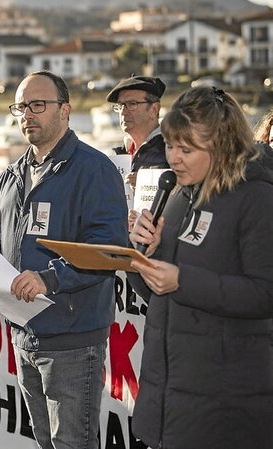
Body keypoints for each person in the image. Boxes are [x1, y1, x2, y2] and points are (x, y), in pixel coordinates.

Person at [0, 71, 128, 449]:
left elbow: (109, 248)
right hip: (24, 334)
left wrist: (49, 278)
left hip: (73, 339)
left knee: (72, 443)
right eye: (21, 106)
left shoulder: (94, 168)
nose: (28, 114)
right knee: (46, 442)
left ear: (65, 110)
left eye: (38, 105)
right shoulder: (11, 174)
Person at [129, 87, 273, 448]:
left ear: (222, 146)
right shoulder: (178, 195)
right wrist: (141, 256)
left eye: (186, 149)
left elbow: (265, 294)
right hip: (169, 403)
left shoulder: (257, 199)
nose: (173, 158)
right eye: (170, 146)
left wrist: (182, 281)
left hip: (224, 409)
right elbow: (154, 293)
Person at [106, 74, 169, 188]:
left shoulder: (171, 149)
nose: (123, 112)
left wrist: (147, 184)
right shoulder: (120, 152)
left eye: (132, 104)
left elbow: (186, 191)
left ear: (154, 110)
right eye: (120, 106)